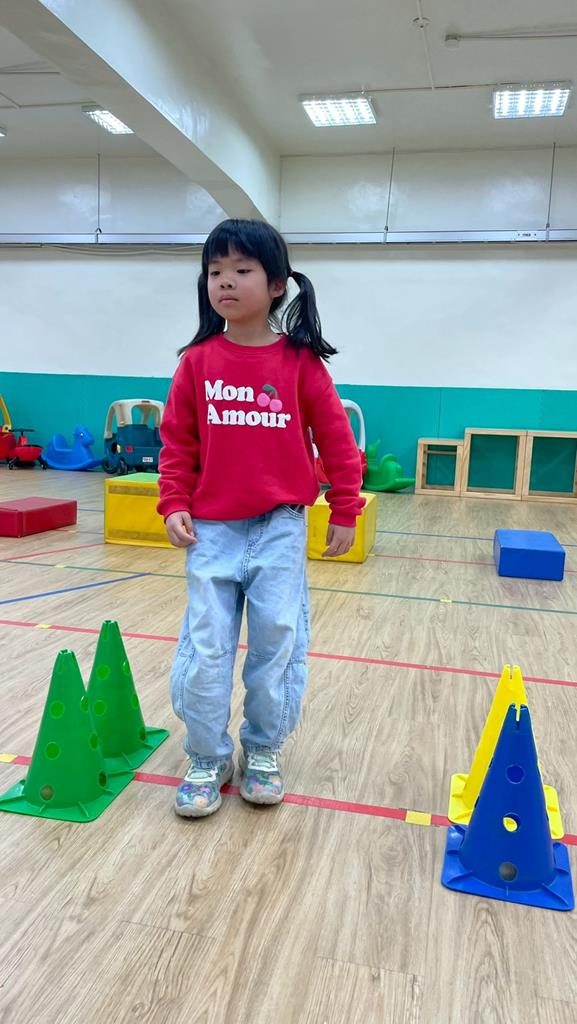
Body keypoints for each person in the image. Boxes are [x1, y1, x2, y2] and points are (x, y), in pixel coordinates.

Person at [158, 218, 364, 818]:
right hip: (213, 530)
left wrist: (345, 506)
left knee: (275, 643)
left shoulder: (300, 363)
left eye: (241, 270)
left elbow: (337, 438)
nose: (225, 281)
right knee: (207, 648)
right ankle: (206, 755)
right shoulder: (197, 363)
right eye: (215, 271)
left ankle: (264, 749)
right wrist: (173, 502)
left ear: (276, 284)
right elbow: (177, 442)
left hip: (280, 526)